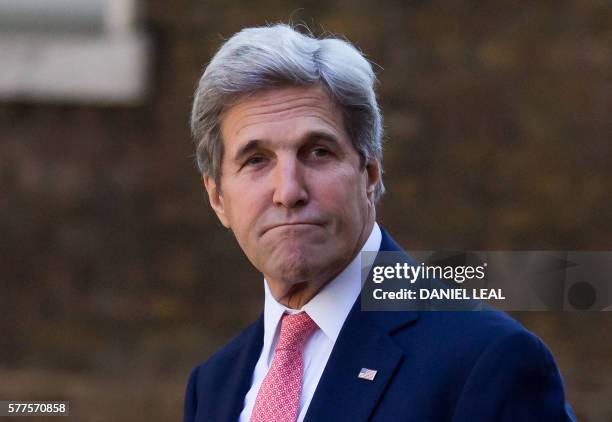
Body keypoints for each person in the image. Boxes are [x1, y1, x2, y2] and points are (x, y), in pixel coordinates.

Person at [183, 24, 576, 422]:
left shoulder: (487, 360)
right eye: (256, 160)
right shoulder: (213, 386)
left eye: (317, 152)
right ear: (217, 197)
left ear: (369, 174)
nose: (288, 191)